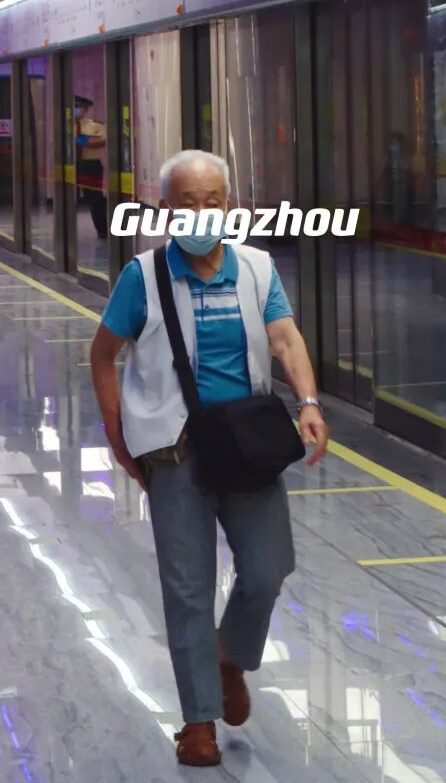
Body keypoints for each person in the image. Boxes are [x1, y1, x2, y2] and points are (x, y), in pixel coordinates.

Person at [89, 150, 330, 768]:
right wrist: (118, 434)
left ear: (230, 205)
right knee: (187, 587)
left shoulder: (255, 268)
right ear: (165, 209)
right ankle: (198, 722)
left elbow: (285, 338)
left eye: (213, 202)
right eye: (187, 203)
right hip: (174, 451)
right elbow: (103, 353)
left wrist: (307, 401)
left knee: (268, 568)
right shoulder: (143, 277)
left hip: (247, 444)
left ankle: (229, 657)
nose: (201, 214)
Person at [74, 93, 108, 240]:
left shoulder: (95, 126)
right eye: (73, 107)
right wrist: (85, 140)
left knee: (95, 199)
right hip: (70, 165)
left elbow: (101, 142)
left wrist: (79, 140)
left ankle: (103, 231)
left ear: (86, 109)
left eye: (78, 107)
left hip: (90, 165)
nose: (75, 109)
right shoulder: (62, 126)